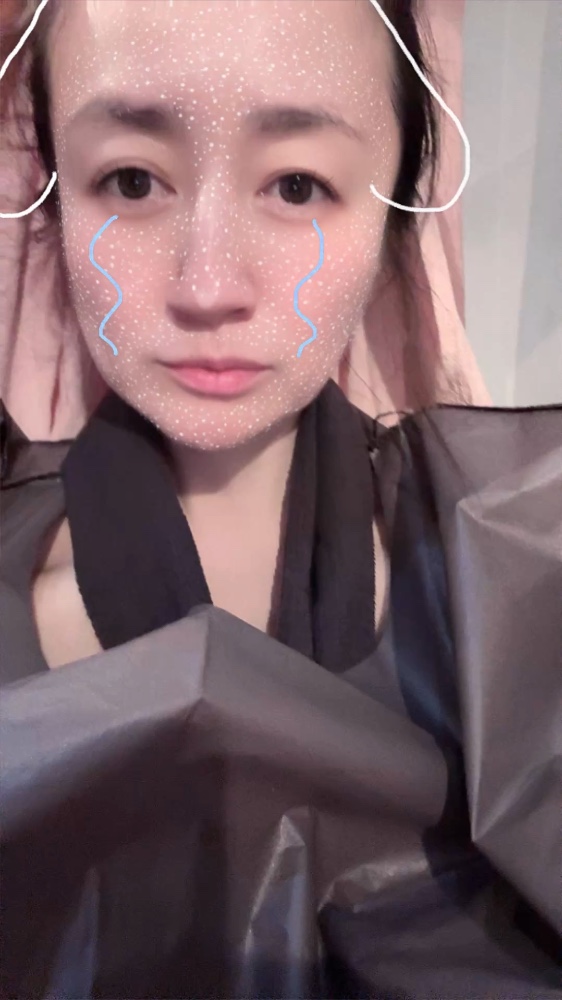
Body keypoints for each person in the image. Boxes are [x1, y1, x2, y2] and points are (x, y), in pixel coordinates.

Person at [1, 2, 561, 998]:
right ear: (52, 190)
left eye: (297, 184)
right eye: (131, 180)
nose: (209, 285)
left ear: (395, 204)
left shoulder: (521, 597)